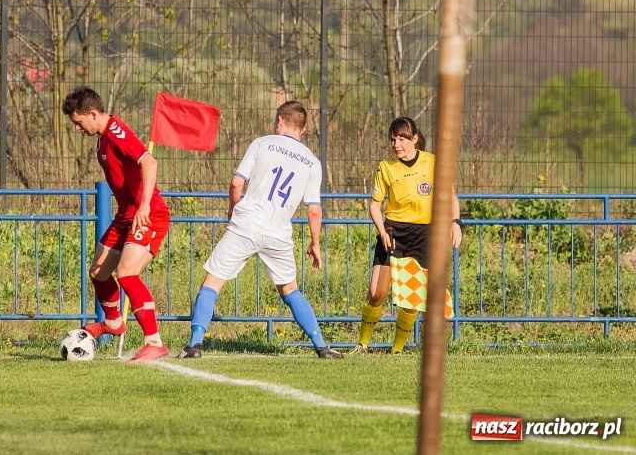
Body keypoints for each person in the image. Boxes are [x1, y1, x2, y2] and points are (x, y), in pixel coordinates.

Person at [178, 101, 342, 359]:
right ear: (303, 128)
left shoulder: (262, 143)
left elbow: (236, 183)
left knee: (212, 283)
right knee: (290, 290)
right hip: (278, 234)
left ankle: (195, 345)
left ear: (280, 121)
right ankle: (322, 347)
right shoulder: (312, 162)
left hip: (246, 225)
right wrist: (315, 244)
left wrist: (232, 210)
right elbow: (314, 210)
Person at [62, 86, 171, 362]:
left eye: (78, 122)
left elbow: (150, 163)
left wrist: (144, 206)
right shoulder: (102, 138)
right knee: (98, 272)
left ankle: (154, 342)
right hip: (125, 215)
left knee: (126, 273)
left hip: (148, 214)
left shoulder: (116, 132)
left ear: (93, 113)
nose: (77, 128)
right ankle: (113, 322)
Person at [352, 116, 462, 354]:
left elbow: (451, 197)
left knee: (411, 298)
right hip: (393, 232)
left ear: (414, 138)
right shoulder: (386, 167)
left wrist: (455, 222)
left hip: (423, 233)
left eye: (401, 139)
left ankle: (397, 349)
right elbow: (374, 205)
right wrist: (382, 231)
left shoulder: (432, 162)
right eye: (393, 140)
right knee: (376, 292)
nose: (396, 145)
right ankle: (362, 344)